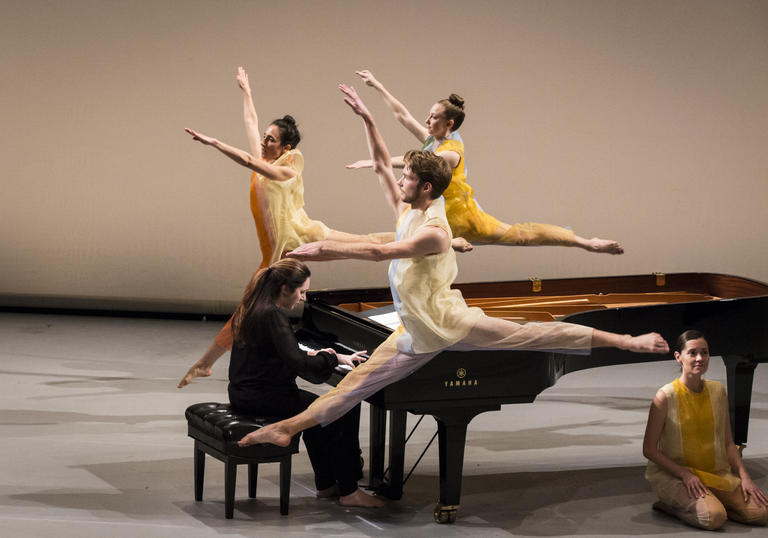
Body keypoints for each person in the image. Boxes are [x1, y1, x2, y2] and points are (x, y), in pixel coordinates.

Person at [235, 85, 668, 449]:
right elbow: (385, 167)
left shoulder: (435, 233)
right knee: (354, 385)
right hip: (414, 329)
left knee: (536, 334)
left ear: (423, 187)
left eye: (408, 180)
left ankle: (627, 340)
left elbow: (378, 253)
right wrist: (367, 118)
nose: (399, 182)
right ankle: (286, 430)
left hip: (446, 324)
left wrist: (321, 250)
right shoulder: (413, 208)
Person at [179, 67, 404, 386]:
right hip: (280, 250)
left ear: (285, 148)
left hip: (301, 237)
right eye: (265, 138)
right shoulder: (268, 160)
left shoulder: (287, 171)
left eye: (270, 140)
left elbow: (247, 160)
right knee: (244, 309)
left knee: (365, 246)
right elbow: (251, 123)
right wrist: (247, 92)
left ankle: (421, 241)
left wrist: (214, 142)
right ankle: (205, 363)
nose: (263, 142)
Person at [347, 69, 623, 254]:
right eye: (429, 115)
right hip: (435, 212)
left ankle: (587, 243)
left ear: (449, 123)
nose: (427, 121)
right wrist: (378, 86)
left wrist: (377, 162)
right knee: (396, 241)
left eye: (433, 118)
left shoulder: (451, 151)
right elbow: (403, 116)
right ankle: (449, 243)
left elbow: (417, 165)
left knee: (521, 235)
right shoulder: (434, 139)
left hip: (463, 217)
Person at [200, 258, 383, 507]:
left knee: (317, 415)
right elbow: (299, 364)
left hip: (244, 394)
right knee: (337, 409)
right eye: (302, 291)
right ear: (285, 288)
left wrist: (335, 356)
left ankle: (327, 485)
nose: (304, 298)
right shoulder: (273, 316)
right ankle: (350, 491)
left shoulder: (254, 306)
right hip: (265, 398)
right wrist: (328, 358)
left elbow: (282, 350)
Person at [642, 330, 768, 530]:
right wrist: (685, 474)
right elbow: (649, 449)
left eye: (705, 352)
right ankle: (672, 507)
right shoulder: (665, 397)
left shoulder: (718, 391)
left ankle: (713, 500)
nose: (700, 358)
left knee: (762, 513)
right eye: (692, 353)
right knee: (714, 518)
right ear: (678, 357)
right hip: (677, 475)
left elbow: (728, 443)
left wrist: (745, 477)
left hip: (713, 473)